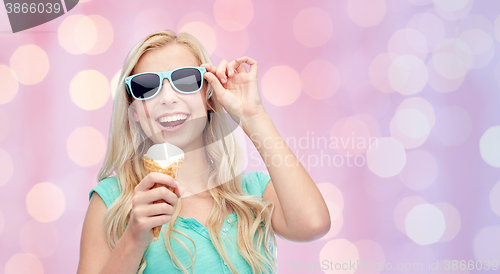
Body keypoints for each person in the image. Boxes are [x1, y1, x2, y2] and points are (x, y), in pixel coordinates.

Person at [77, 30, 331, 274]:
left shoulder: (252, 193)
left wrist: (253, 115)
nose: (167, 98)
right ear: (134, 112)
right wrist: (134, 237)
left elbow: (313, 224)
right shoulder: (113, 201)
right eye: (146, 86)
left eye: (185, 80)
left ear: (209, 97)